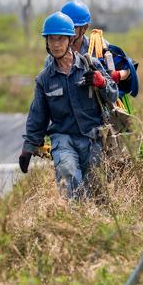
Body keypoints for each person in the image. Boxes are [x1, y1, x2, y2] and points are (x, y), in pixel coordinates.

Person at [19, 11, 118, 199]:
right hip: (62, 139)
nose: (56, 44)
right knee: (68, 175)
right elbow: (37, 116)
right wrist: (28, 148)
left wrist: (101, 82)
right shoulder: (44, 79)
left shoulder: (91, 65)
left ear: (70, 40)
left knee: (97, 190)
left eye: (60, 39)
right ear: (46, 42)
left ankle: (91, 224)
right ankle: (76, 217)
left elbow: (112, 95)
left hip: (93, 138)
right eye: (51, 39)